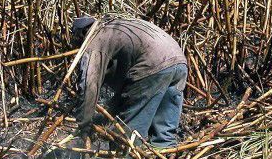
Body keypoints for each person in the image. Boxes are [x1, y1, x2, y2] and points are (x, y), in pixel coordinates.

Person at [71, 16, 188, 151]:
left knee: (129, 134)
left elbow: (88, 84)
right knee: (164, 135)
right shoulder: (115, 25)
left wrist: (84, 123)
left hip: (153, 64)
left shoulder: (95, 39)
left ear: (81, 34)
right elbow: (128, 89)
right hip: (178, 60)